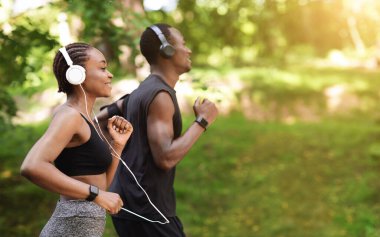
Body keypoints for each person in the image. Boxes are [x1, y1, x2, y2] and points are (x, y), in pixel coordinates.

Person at [104, 23, 218, 236]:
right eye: (182, 44)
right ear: (167, 49)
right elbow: (165, 158)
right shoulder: (160, 96)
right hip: (148, 208)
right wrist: (202, 121)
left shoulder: (142, 90)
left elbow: (99, 119)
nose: (188, 50)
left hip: (129, 205)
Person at [20, 42, 133, 237]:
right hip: (68, 228)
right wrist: (97, 195)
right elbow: (32, 166)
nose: (110, 74)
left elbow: (101, 186)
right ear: (77, 74)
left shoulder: (87, 118)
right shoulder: (70, 116)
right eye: (102, 68)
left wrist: (118, 145)